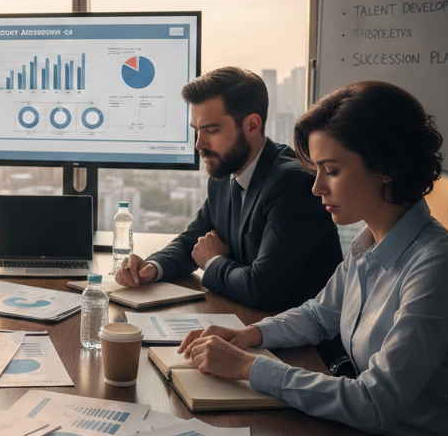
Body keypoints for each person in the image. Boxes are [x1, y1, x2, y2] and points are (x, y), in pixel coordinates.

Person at [179, 80, 448, 436]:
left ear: (387, 168)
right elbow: (319, 313)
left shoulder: (438, 267)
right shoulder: (372, 244)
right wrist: (250, 335)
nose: (316, 187)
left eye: (331, 170)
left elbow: (375, 402)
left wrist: (250, 368)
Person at [115, 66, 341, 311]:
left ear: (252, 126)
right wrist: (152, 267)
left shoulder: (293, 183)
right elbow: (192, 241)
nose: (199, 144)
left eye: (212, 130)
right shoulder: (224, 173)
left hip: (302, 344)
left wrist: (212, 261)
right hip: (245, 321)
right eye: (197, 131)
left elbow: (263, 290)